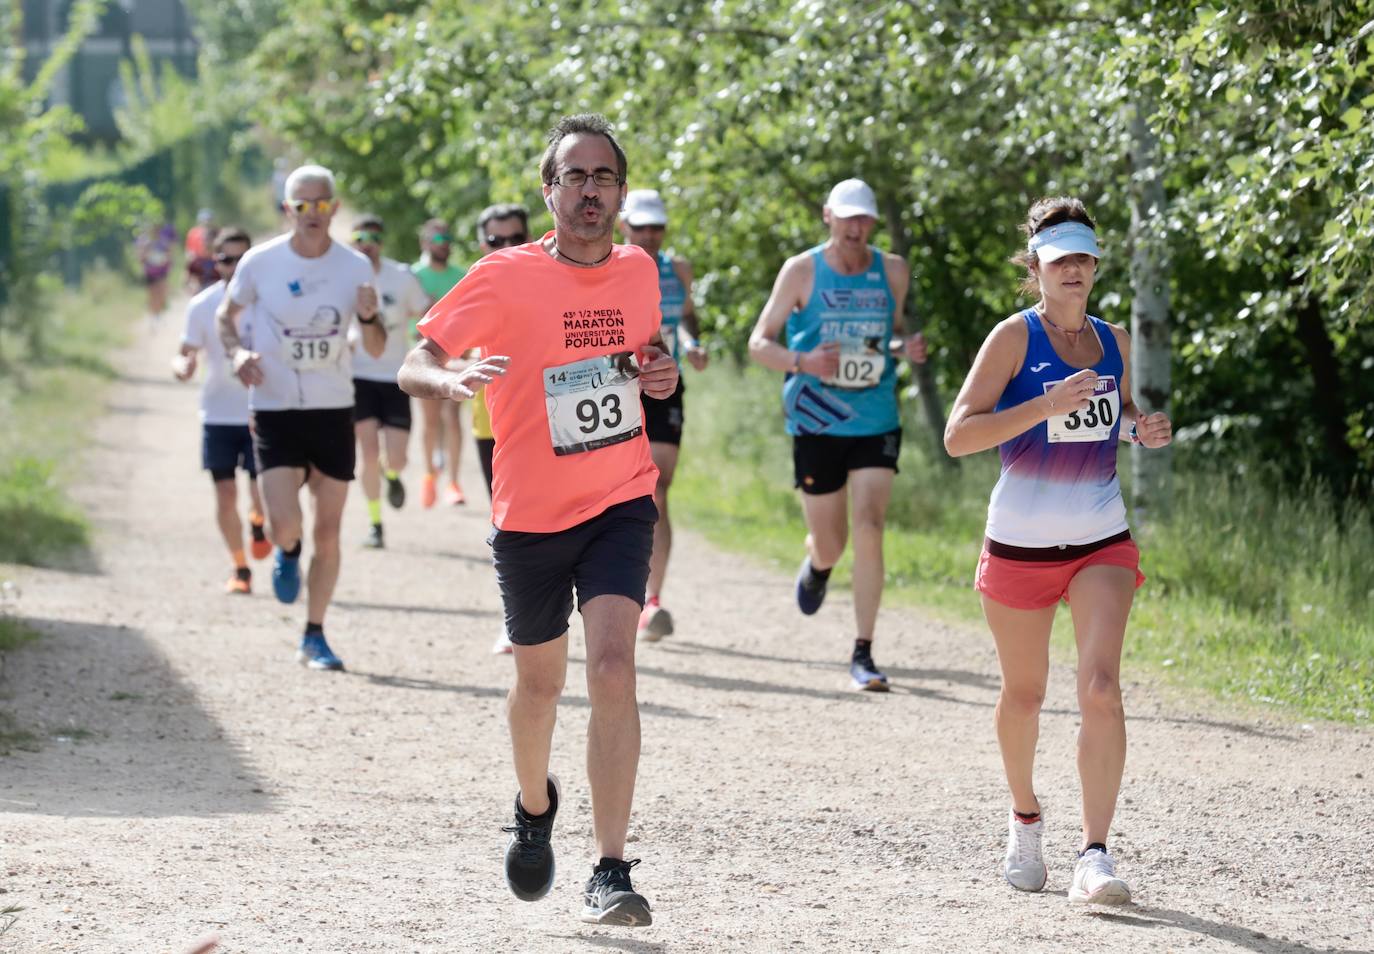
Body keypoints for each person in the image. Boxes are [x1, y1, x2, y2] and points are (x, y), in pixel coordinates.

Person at [399, 113, 678, 927]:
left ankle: (612, 868)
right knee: (539, 685)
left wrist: (654, 377)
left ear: (621, 193)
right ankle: (533, 804)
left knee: (615, 667)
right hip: (530, 513)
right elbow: (412, 361)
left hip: (621, 497)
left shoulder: (638, 270)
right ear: (547, 191)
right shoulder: (503, 275)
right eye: (575, 177)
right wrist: (448, 382)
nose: (591, 191)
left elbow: (639, 364)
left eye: (604, 178)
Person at [943, 197, 1171, 905]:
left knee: (1101, 688)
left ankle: (1095, 855)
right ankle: (1025, 818)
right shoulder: (1013, 339)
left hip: (1101, 536)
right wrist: (1043, 405)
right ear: (1037, 268)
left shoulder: (1114, 341)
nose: (1074, 270)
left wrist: (1141, 430)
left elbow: (1113, 419)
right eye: (1059, 259)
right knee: (1026, 694)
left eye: (1084, 258)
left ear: (1097, 266)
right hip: (1019, 543)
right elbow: (958, 435)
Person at [747, 178, 927, 691]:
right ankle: (819, 564)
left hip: (875, 417)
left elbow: (875, 341)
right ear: (828, 216)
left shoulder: (892, 270)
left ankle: (864, 652)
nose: (856, 227)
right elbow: (759, 343)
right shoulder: (802, 270)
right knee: (833, 542)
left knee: (870, 525)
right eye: (847, 217)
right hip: (816, 417)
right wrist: (804, 361)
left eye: (864, 218)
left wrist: (901, 349)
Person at [215, 164, 385, 671]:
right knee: (288, 524)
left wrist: (372, 316)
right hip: (274, 408)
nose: (312, 214)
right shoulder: (259, 262)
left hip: (333, 409)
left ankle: (315, 634)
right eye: (301, 205)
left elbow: (375, 349)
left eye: (321, 204)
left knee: (329, 531)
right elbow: (227, 317)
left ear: (333, 208)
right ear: (288, 210)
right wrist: (237, 355)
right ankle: (286, 552)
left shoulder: (355, 267)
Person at [616, 189, 708, 643]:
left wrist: (693, 343)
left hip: (664, 386)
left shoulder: (679, 270)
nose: (650, 235)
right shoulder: (608, 266)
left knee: (657, 488)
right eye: (641, 227)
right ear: (623, 227)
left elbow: (687, 317)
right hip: (615, 385)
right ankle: (609, 589)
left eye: (657, 227)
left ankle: (651, 600)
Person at [171, 226, 271, 591]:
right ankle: (240, 569)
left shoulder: (268, 301)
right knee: (225, 494)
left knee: (263, 494)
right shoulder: (202, 305)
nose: (234, 266)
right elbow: (184, 354)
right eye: (226, 259)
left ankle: (259, 522)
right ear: (216, 262)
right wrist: (182, 368)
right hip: (217, 413)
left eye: (241, 258)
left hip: (262, 409)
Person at [466, 204, 531, 656]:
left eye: (515, 239)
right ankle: (515, 618)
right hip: (493, 425)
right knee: (508, 525)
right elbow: (438, 352)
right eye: (495, 241)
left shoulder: (553, 275)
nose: (506, 248)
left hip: (548, 420)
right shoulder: (477, 284)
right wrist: (461, 370)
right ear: (482, 244)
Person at [348, 214, 429, 549]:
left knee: (396, 458)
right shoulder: (343, 277)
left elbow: (427, 313)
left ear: (382, 242)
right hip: (359, 376)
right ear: (353, 242)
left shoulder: (401, 276)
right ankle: (375, 523)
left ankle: (392, 476)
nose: (367, 243)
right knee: (367, 454)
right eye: (360, 237)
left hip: (395, 375)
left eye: (374, 237)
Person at [411, 219, 469, 507]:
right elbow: (411, 320)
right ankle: (429, 475)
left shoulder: (462, 274)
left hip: (457, 357)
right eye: (436, 240)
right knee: (431, 421)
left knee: (454, 419)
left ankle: (454, 483)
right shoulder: (414, 275)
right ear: (425, 244)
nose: (443, 244)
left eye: (447, 239)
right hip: (425, 357)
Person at [137, 219, 177, 329]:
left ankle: (159, 314)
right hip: (150, 272)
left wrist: (164, 261)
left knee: (161, 294)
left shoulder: (163, 241)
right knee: (152, 294)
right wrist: (146, 254)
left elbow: (169, 255)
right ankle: (153, 316)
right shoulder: (143, 241)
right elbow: (140, 258)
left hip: (162, 272)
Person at [185, 208, 218, 292]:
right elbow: (189, 250)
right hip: (199, 261)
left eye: (208, 220)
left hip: (212, 259)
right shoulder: (193, 232)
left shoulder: (216, 232)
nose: (206, 222)